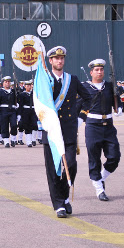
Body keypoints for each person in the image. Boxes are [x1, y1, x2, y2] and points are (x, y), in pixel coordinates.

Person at [40, 46, 91, 218]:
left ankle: (64, 196)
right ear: (50, 61)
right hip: (51, 131)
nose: (60, 61)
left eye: (62, 58)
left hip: (69, 130)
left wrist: (81, 116)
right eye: (56, 58)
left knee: (71, 164)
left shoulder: (72, 79)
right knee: (53, 170)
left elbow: (88, 98)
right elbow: (39, 103)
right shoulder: (44, 80)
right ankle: (59, 205)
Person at [82, 59, 122, 201]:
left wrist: (119, 107)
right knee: (94, 158)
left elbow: (117, 98)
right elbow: (79, 105)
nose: (100, 72)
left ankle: (101, 178)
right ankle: (99, 189)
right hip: (92, 126)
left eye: (101, 70)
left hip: (109, 126)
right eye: (96, 70)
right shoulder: (85, 87)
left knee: (114, 157)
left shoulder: (110, 86)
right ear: (91, 72)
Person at [0, 76, 18, 148]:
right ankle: (6, 141)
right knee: (4, 125)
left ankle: (13, 139)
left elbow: (17, 100)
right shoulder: (0, 92)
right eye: (6, 82)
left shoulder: (13, 91)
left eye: (8, 82)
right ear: (3, 83)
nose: (7, 83)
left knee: (14, 125)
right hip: (3, 110)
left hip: (12, 110)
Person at [17, 80, 38, 147]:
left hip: (33, 110)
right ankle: (28, 141)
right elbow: (20, 104)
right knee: (27, 126)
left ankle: (33, 139)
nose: (29, 87)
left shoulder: (34, 94)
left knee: (35, 125)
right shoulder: (22, 94)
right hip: (25, 111)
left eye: (30, 86)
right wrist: (19, 114)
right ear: (25, 86)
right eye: (27, 86)